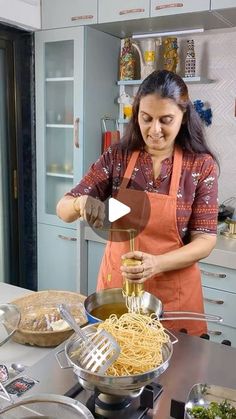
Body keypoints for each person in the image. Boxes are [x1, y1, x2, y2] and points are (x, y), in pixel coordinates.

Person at [56, 70, 218, 336]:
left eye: (166, 120)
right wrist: (80, 203)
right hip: (118, 294)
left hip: (174, 296)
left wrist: (156, 264)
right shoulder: (118, 156)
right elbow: (63, 209)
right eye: (146, 119)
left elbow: (205, 240)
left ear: (184, 116)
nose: (154, 130)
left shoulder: (200, 165)